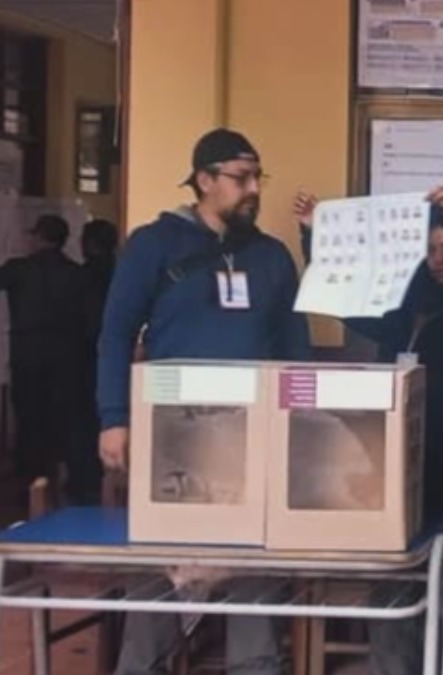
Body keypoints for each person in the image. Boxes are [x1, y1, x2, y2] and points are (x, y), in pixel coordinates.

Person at [97, 128, 311, 675]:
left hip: (256, 435)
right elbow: (117, 331)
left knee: (255, 565)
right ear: (204, 180)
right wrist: (114, 418)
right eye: (241, 178)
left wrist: (300, 427)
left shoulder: (271, 257)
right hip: (175, 432)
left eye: (258, 177)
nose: (253, 189)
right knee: (162, 564)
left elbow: (294, 346)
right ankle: (142, 666)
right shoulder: (155, 244)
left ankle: (256, 666)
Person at [294, 185, 443, 675]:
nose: (440, 260)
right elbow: (347, 296)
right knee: (394, 592)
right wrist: (314, 238)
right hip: (396, 470)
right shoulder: (401, 310)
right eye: (430, 250)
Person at [0, 214, 86, 507]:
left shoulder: (17, 269)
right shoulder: (77, 273)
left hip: (27, 355)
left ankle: (29, 483)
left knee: (28, 418)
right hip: (66, 357)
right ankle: (56, 480)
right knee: (60, 419)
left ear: (38, 238)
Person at [67, 218, 121, 504]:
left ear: (88, 243)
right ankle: (107, 483)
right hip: (115, 362)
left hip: (83, 357)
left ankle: (84, 485)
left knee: (81, 422)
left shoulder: (82, 275)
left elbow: (85, 323)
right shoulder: (122, 271)